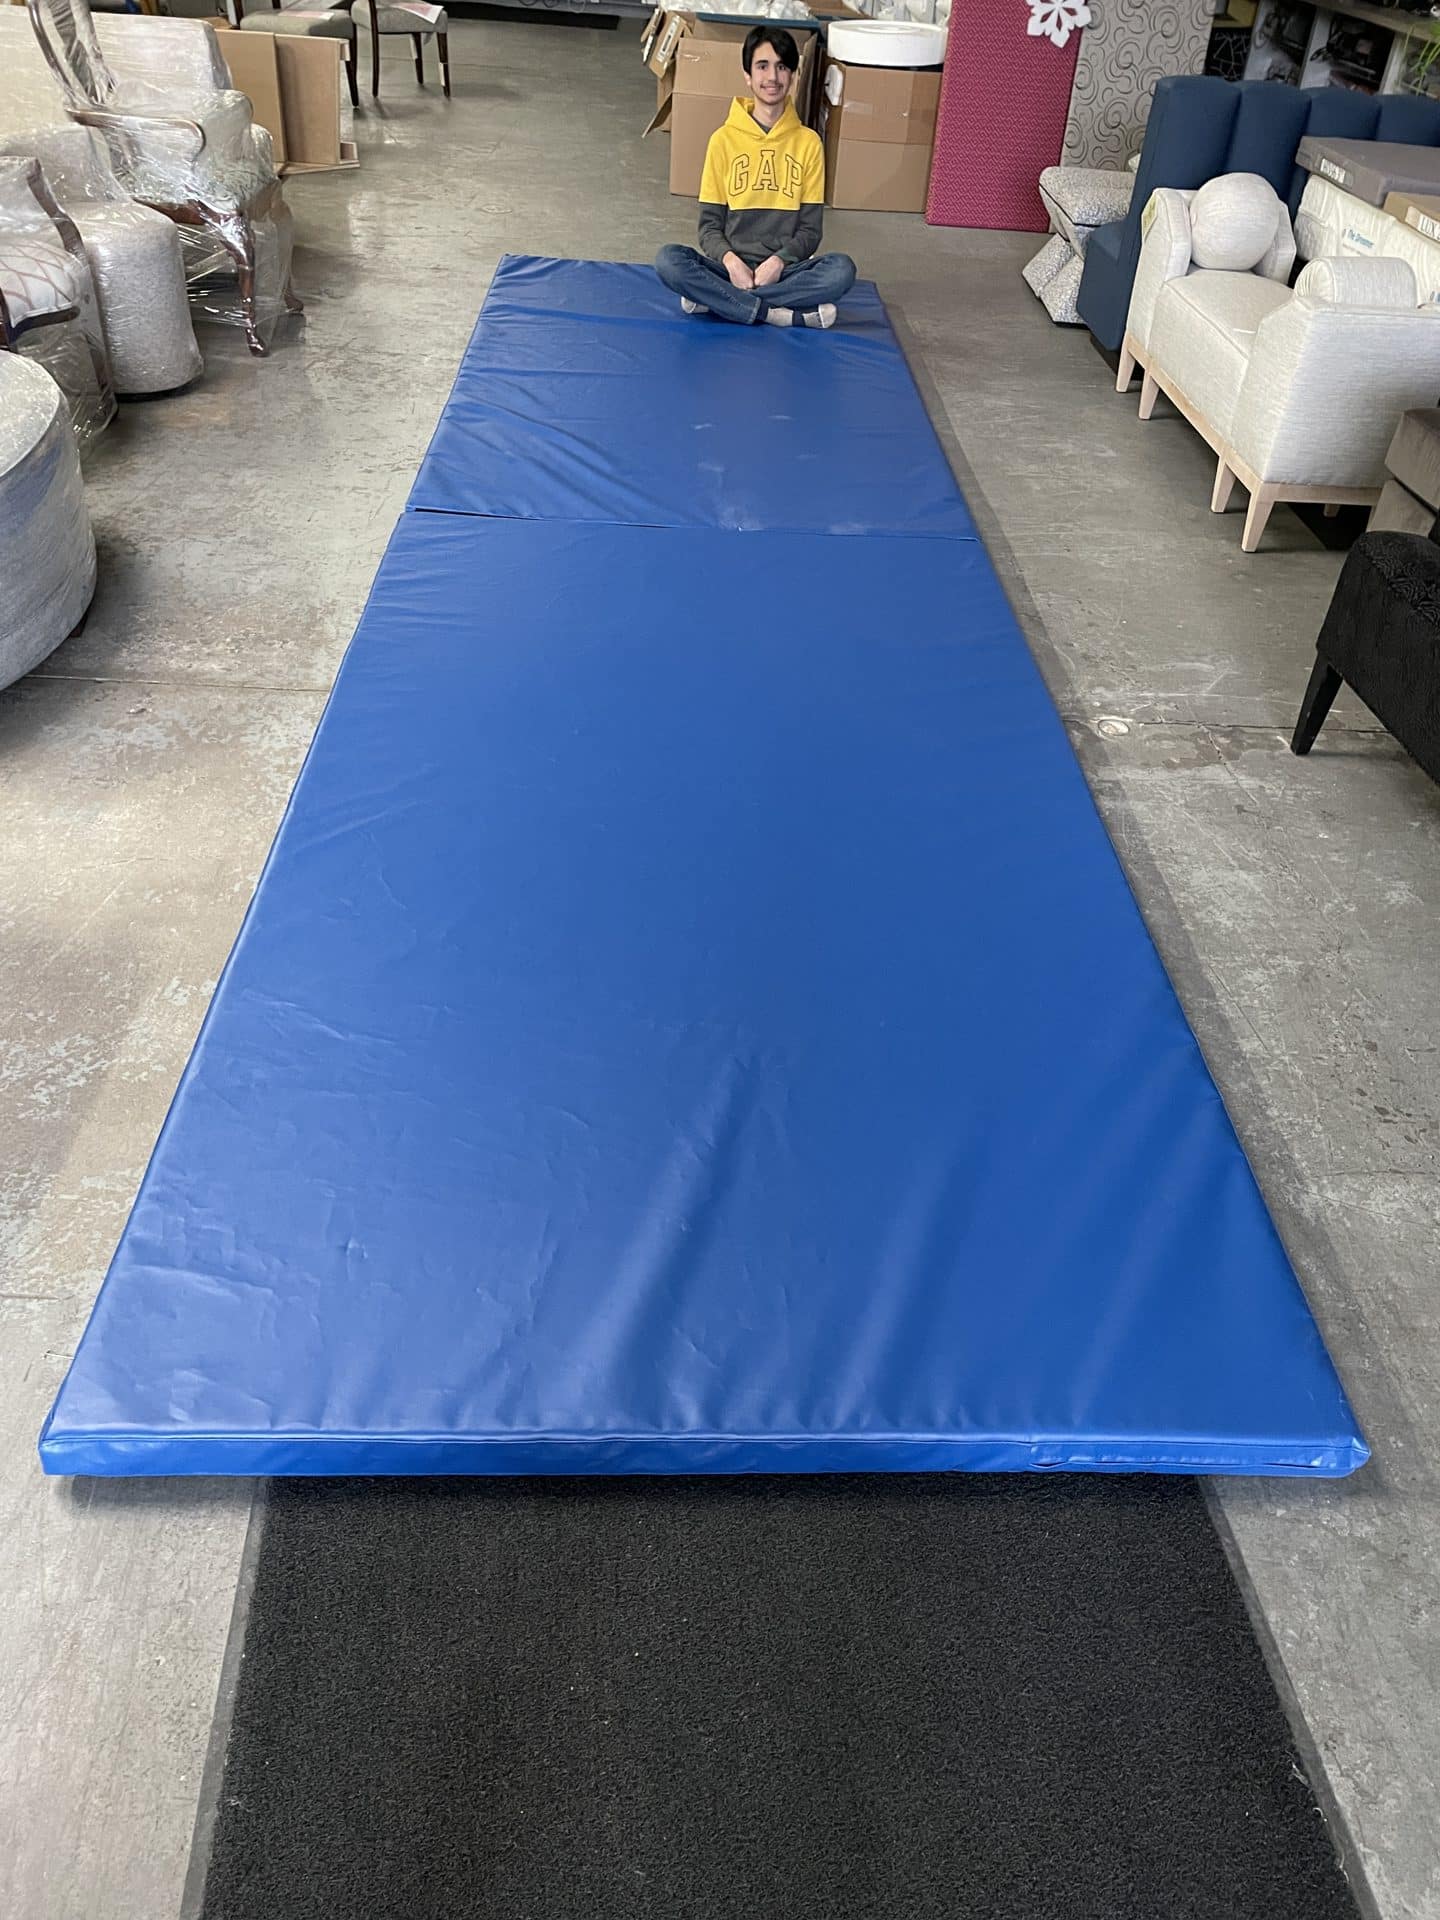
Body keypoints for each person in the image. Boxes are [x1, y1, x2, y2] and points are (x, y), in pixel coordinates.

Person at [655, 27, 857, 330]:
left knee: (841, 270)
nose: (772, 77)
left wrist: (778, 263)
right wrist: (731, 262)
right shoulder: (722, 140)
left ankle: (719, 301)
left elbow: (810, 231)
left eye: (782, 67)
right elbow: (709, 228)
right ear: (747, 76)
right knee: (669, 260)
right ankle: (776, 313)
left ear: (793, 75)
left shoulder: (809, 143)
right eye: (762, 66)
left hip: (784, 273)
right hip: (729, 270)